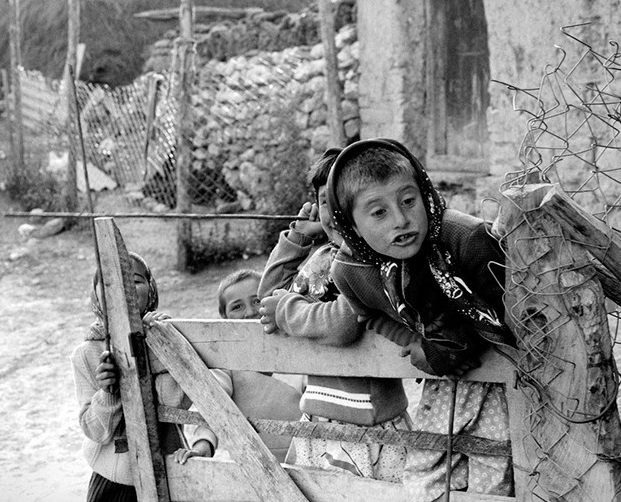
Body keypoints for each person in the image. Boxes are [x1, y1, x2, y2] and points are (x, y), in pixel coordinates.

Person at [324, 138, 517, 500]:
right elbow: (369, 316)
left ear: (425, 192)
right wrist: (416, 342)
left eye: (408, 201)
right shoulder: (352, 271)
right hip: (441, 386)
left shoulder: (466, 240)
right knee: (426, 477)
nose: (401, 220)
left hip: (504, 380)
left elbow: (507, 314)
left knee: (495, 477)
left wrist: (454, 346)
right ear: (350, 224)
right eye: (378, 212)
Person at [258, 148, 411, 482]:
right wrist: (298, 239)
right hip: (318, 414)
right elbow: (268, 296)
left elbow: (343, 323)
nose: (333, 211)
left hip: (367, 422)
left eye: (341, 200)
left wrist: (286, 311)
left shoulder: (370, 259)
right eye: (325, 202)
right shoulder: (324, 256)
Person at [70, 252, 229, 502]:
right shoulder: (86, 354)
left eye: (134, 280)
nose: (123, 288)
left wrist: (163, 344)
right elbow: (94, 431)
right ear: (96, 294)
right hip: (111, 481)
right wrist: (108, 393)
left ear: (151, 290)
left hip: (165, 472)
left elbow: (174, 402)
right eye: (110, 281)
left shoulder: (165, 335)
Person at [214, 268, 304, 462]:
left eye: (257, 301)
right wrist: (203, 443)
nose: (250, 312)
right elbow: (211, 397)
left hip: (305, 463)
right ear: (225, 318)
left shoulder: (298, 353)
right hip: (253, 467)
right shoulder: (226, 362)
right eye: (237, 307)